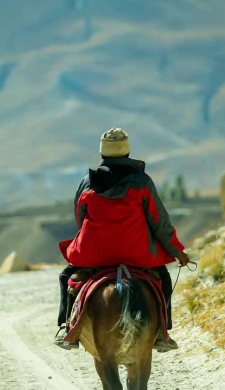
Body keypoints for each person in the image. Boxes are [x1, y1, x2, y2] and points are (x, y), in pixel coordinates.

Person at [55, 128, 190, 351]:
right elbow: (160, 223)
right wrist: (178, 252)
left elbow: (80, 217)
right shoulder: (142, 182)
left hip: (94, 255)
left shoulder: (87, 182)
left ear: (102, 152)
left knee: (66, 277)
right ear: (127, 151)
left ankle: (65, 328)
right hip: (137, 255)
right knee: (163, 279)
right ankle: (161, 332)